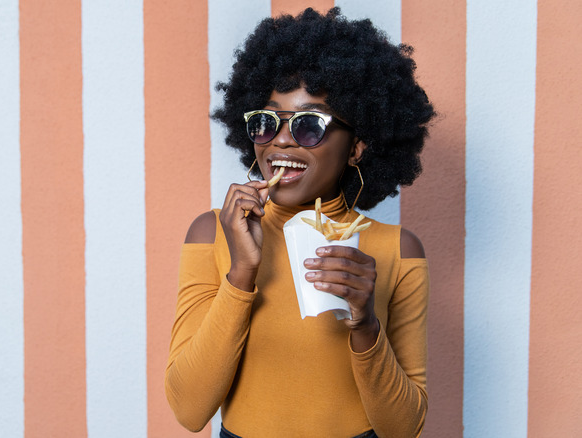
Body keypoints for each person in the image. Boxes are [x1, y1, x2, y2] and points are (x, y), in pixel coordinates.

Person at [165, 7, 435, 438]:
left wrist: (365, 323)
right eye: (267, 122)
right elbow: (189, 409)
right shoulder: (213, 233)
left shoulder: (399, 251)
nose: (282, 139)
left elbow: (403, 429)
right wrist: (241, 274)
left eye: (310, 124)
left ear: (357, 148)